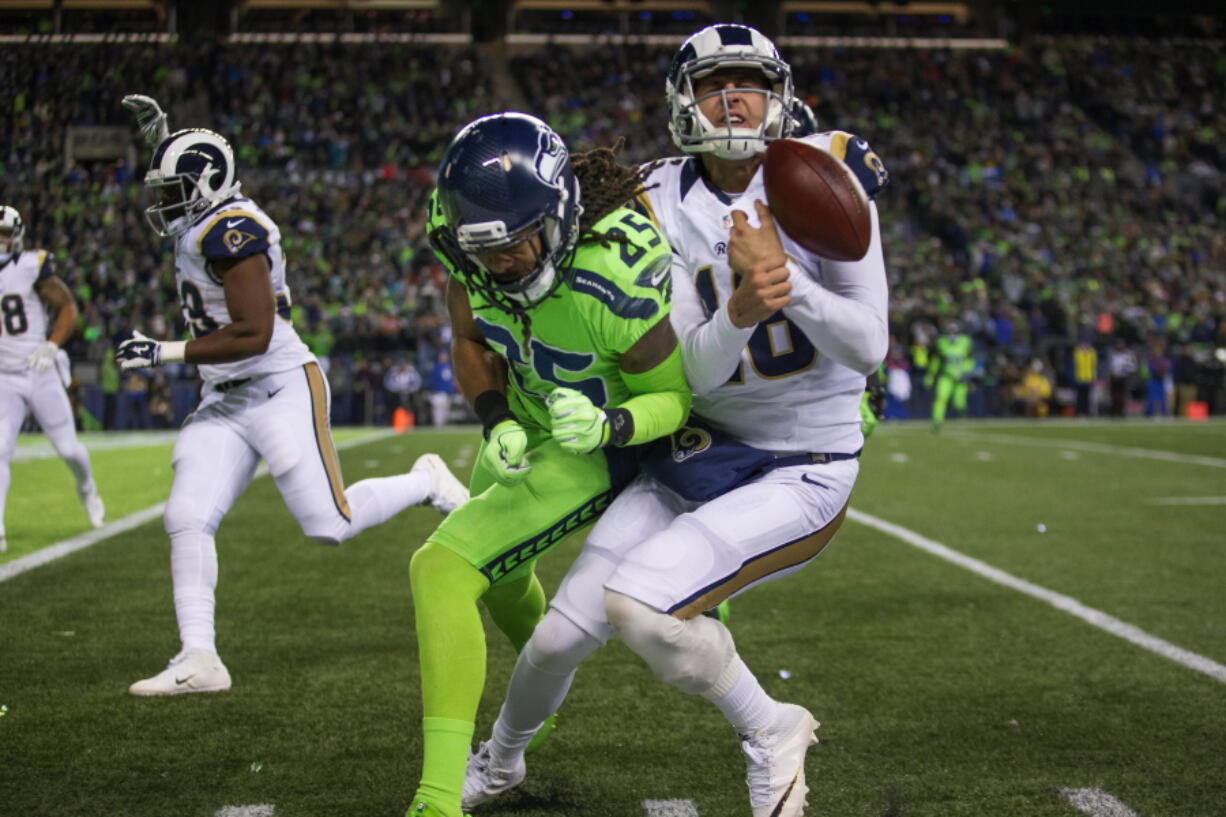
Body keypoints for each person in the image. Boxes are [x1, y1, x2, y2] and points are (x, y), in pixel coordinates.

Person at [463, 24, 889, 817]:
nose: (732, 97)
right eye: (712, 83)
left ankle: (772, 730)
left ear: (778, 95)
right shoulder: (650, 199)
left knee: (641, 605)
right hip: (701, 446)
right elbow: (685, 369)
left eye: (749, 82)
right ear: (681, 100)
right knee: (557, 636)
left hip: (805, 458)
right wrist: (741, 306)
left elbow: (869, 343)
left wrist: (785, 283)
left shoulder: (829, 173)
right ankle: (500, 763)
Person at [116, 95, 469, 695]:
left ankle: (427, 481)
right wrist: (163, 138)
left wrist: (163, 352)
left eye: (175, 186)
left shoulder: (235, 230)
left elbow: (253, 335)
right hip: (224, 398)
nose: (164, 200)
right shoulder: (206, 217)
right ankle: (200, 658)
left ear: (208, 184)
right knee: (187, 515)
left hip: (278, 384)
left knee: (330, 523)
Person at [407, 111, 692, 817]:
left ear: (559, 216)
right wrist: (495, 415)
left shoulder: (614, 267)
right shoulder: (465, 239)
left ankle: (437, 800)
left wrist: (610, 423)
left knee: (438, 570)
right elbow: (468, 331)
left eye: (516, 244)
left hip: (593, 442)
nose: (501, 263)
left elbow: (672, 396)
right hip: (527, 415)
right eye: (486, 251)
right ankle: (542, 702)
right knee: (503, 586)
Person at [0, 205, 105, 552]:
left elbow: (68, 306)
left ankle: (87, 488)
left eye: (4, 233)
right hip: (5, 378)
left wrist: (50, 344)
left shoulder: (31, 265)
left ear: (16, 237)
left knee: (68, 449)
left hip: (39, 370)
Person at [926, 319, 973, 430]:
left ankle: (961, 417)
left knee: (959, 402)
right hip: (946, 376)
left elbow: (970, 359)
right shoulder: (941, 343)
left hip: (961, 377)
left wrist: (965, 372)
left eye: (954, 331)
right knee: (941, 398)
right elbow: (936, 360)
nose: (952, 334)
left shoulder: (965, 342)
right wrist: (931, 375)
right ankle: (937, 421)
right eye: (950, 331)